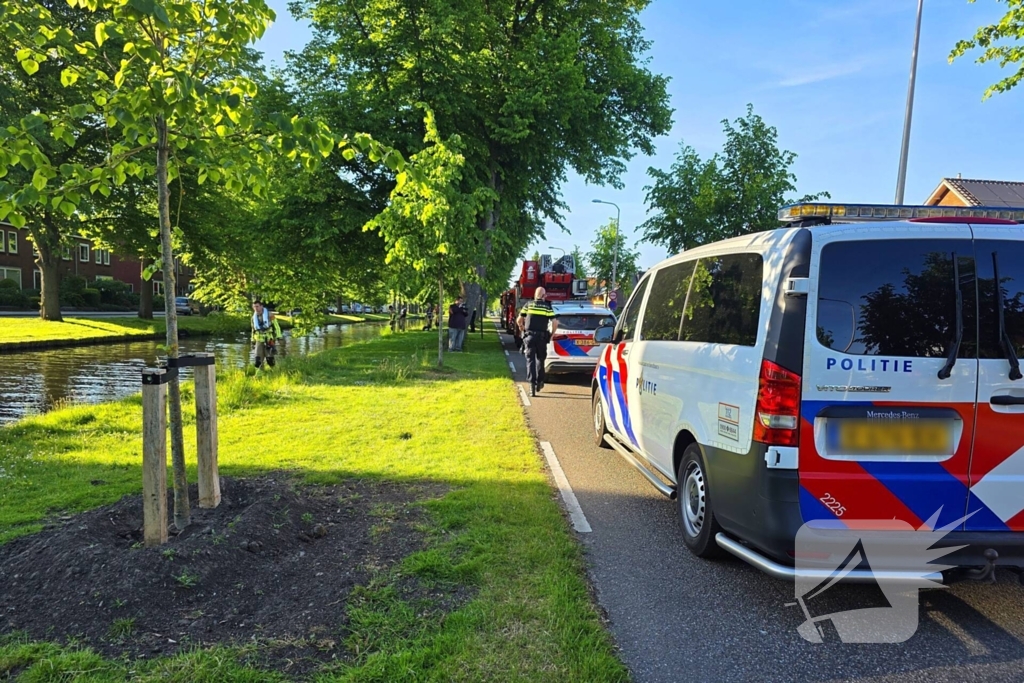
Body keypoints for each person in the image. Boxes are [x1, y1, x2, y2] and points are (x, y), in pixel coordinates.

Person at [518, 287, 558, 396]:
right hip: (541, 338)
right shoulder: (547, 307)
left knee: (530, 361)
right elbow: (555, 322)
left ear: (535, 295)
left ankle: (531, 387)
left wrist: (521, 327)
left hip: (529, 337)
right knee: (540, 360)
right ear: (543, 295)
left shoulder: (528, 305)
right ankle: (540, 382)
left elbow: (519, 320)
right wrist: (551, 334)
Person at [251, 300, 283, 369]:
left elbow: (276, 326)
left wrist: (279, 336)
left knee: (270, 359)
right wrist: (252, 340)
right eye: (254, 307)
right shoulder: (253, 318)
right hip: (259, 340)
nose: (256, 308)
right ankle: (260, 374)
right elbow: (253, 330)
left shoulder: (270, 315)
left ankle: (274, 372)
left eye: (257, 306)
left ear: (261, 306)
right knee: (258, 360)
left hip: (269, 339)